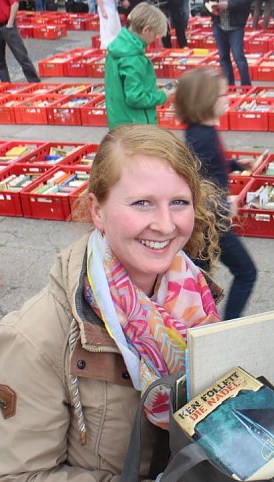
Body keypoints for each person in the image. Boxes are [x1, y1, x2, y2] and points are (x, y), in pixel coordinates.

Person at [0, 124, 225, 482]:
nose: (166, 223)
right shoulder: (38, 336)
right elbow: (26, 479)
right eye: (141, 204)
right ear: (97, 211)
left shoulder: (191, 296)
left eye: (179, 202)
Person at [175, 69, 258, 320]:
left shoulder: (200, 132)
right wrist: (223, 204)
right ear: (204, 101)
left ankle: (204, 323)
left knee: (202, 277)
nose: (227, 98)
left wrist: (233, 164)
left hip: (209, 219)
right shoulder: (203, 137)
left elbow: (209, 166)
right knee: (245, 272)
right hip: (211, 220)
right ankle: (224, 327)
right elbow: (197, 180)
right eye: (221, 94)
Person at [105, 2, 171, 129]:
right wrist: (162, 96)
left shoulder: (119, 47)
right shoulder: (133, 58)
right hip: (137, 124)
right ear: (146, 30)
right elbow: (135, 98)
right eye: (155, 35)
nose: (155, 39)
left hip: (120, 120)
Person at [0, 0, 41, 83]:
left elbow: (15, 3)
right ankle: (6, 86)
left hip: (7, 25)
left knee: (22, 56)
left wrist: (10, 23)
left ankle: (34, 83)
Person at [208, 0, 254, 87]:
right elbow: (207, 2)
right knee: (223, 57)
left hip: (236, 26)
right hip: (218, 24)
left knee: (238, 56)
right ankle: (229, 86)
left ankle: (246, 86)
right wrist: (210, 9)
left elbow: (246, 2)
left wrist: (229, 4)